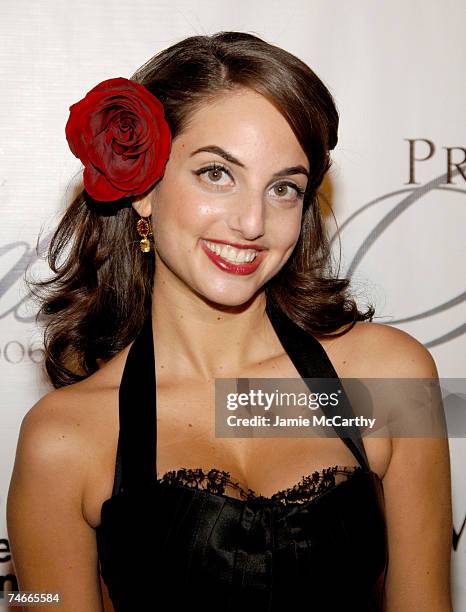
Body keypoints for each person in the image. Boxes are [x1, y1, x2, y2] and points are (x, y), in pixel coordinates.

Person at [6, 31, 452, 611]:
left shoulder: (391, 381)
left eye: (284, 188)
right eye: (217, 174)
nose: (251, 221)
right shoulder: (64, 439)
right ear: (142, 190)